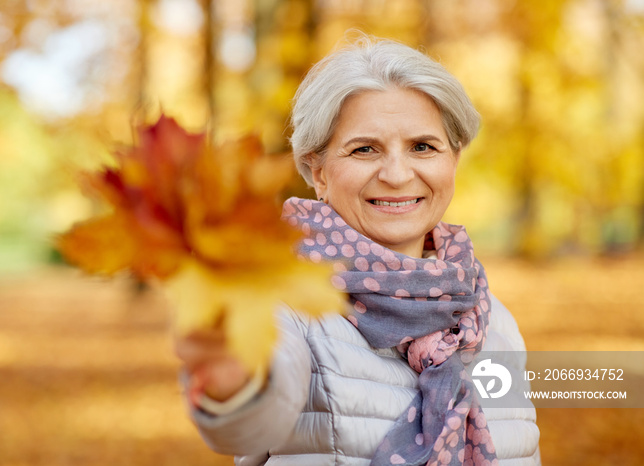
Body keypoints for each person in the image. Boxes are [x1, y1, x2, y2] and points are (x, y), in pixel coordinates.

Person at [175, 36, 541, 466]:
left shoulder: (488, 315)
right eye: (364, 149)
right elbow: (250, 418)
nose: (397, 174)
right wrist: (232, 387)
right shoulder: (285, 301)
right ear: (318, 172)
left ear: (453, 161)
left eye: (422, 146)